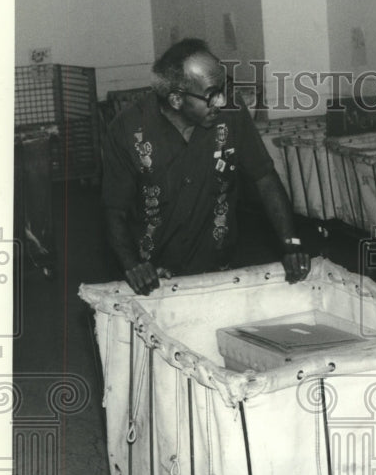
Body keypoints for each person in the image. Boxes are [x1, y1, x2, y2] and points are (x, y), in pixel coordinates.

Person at [102, 38, 309, 295]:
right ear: (176, 99)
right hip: (153, 275)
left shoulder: (231, 113)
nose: (222, 101)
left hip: (216, 266)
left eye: (224, 88)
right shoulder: (127, 129)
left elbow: (264, 178)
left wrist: (291, 244)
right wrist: (132, 265)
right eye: (212, 94)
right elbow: (115, 210)